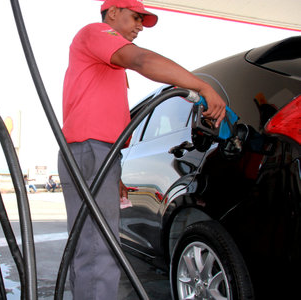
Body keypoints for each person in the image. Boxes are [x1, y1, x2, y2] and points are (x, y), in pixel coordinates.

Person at [57, 0, 226, 299]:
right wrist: (203, 87)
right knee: (98, 248)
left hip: (99, 155)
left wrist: (113, 173)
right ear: (112, 13)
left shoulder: (102, 60)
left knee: (92, 244)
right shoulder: (96, 32)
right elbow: (143, 61)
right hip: (91, 151)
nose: (139, 27)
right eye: (136, 18)